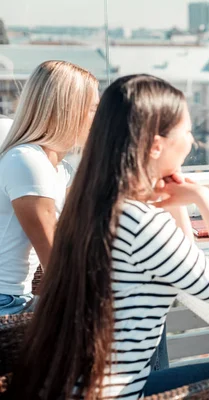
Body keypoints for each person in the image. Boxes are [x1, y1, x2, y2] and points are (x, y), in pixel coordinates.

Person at [9, 75, 209, 400]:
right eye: (188, 132)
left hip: (72, 388)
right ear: (156, 145)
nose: (192, 142)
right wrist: (205, 202)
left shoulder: (93, 203)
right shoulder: (142, 224)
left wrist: (176, 203)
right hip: (114, 395)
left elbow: (182, 260)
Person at [0, 60, 99, 316]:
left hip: (17, 298)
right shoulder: (27, 161)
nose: (99, 118)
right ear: (68, 110)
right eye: (93, 109)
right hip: (7, 303)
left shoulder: (59, 169)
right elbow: (56, 260)